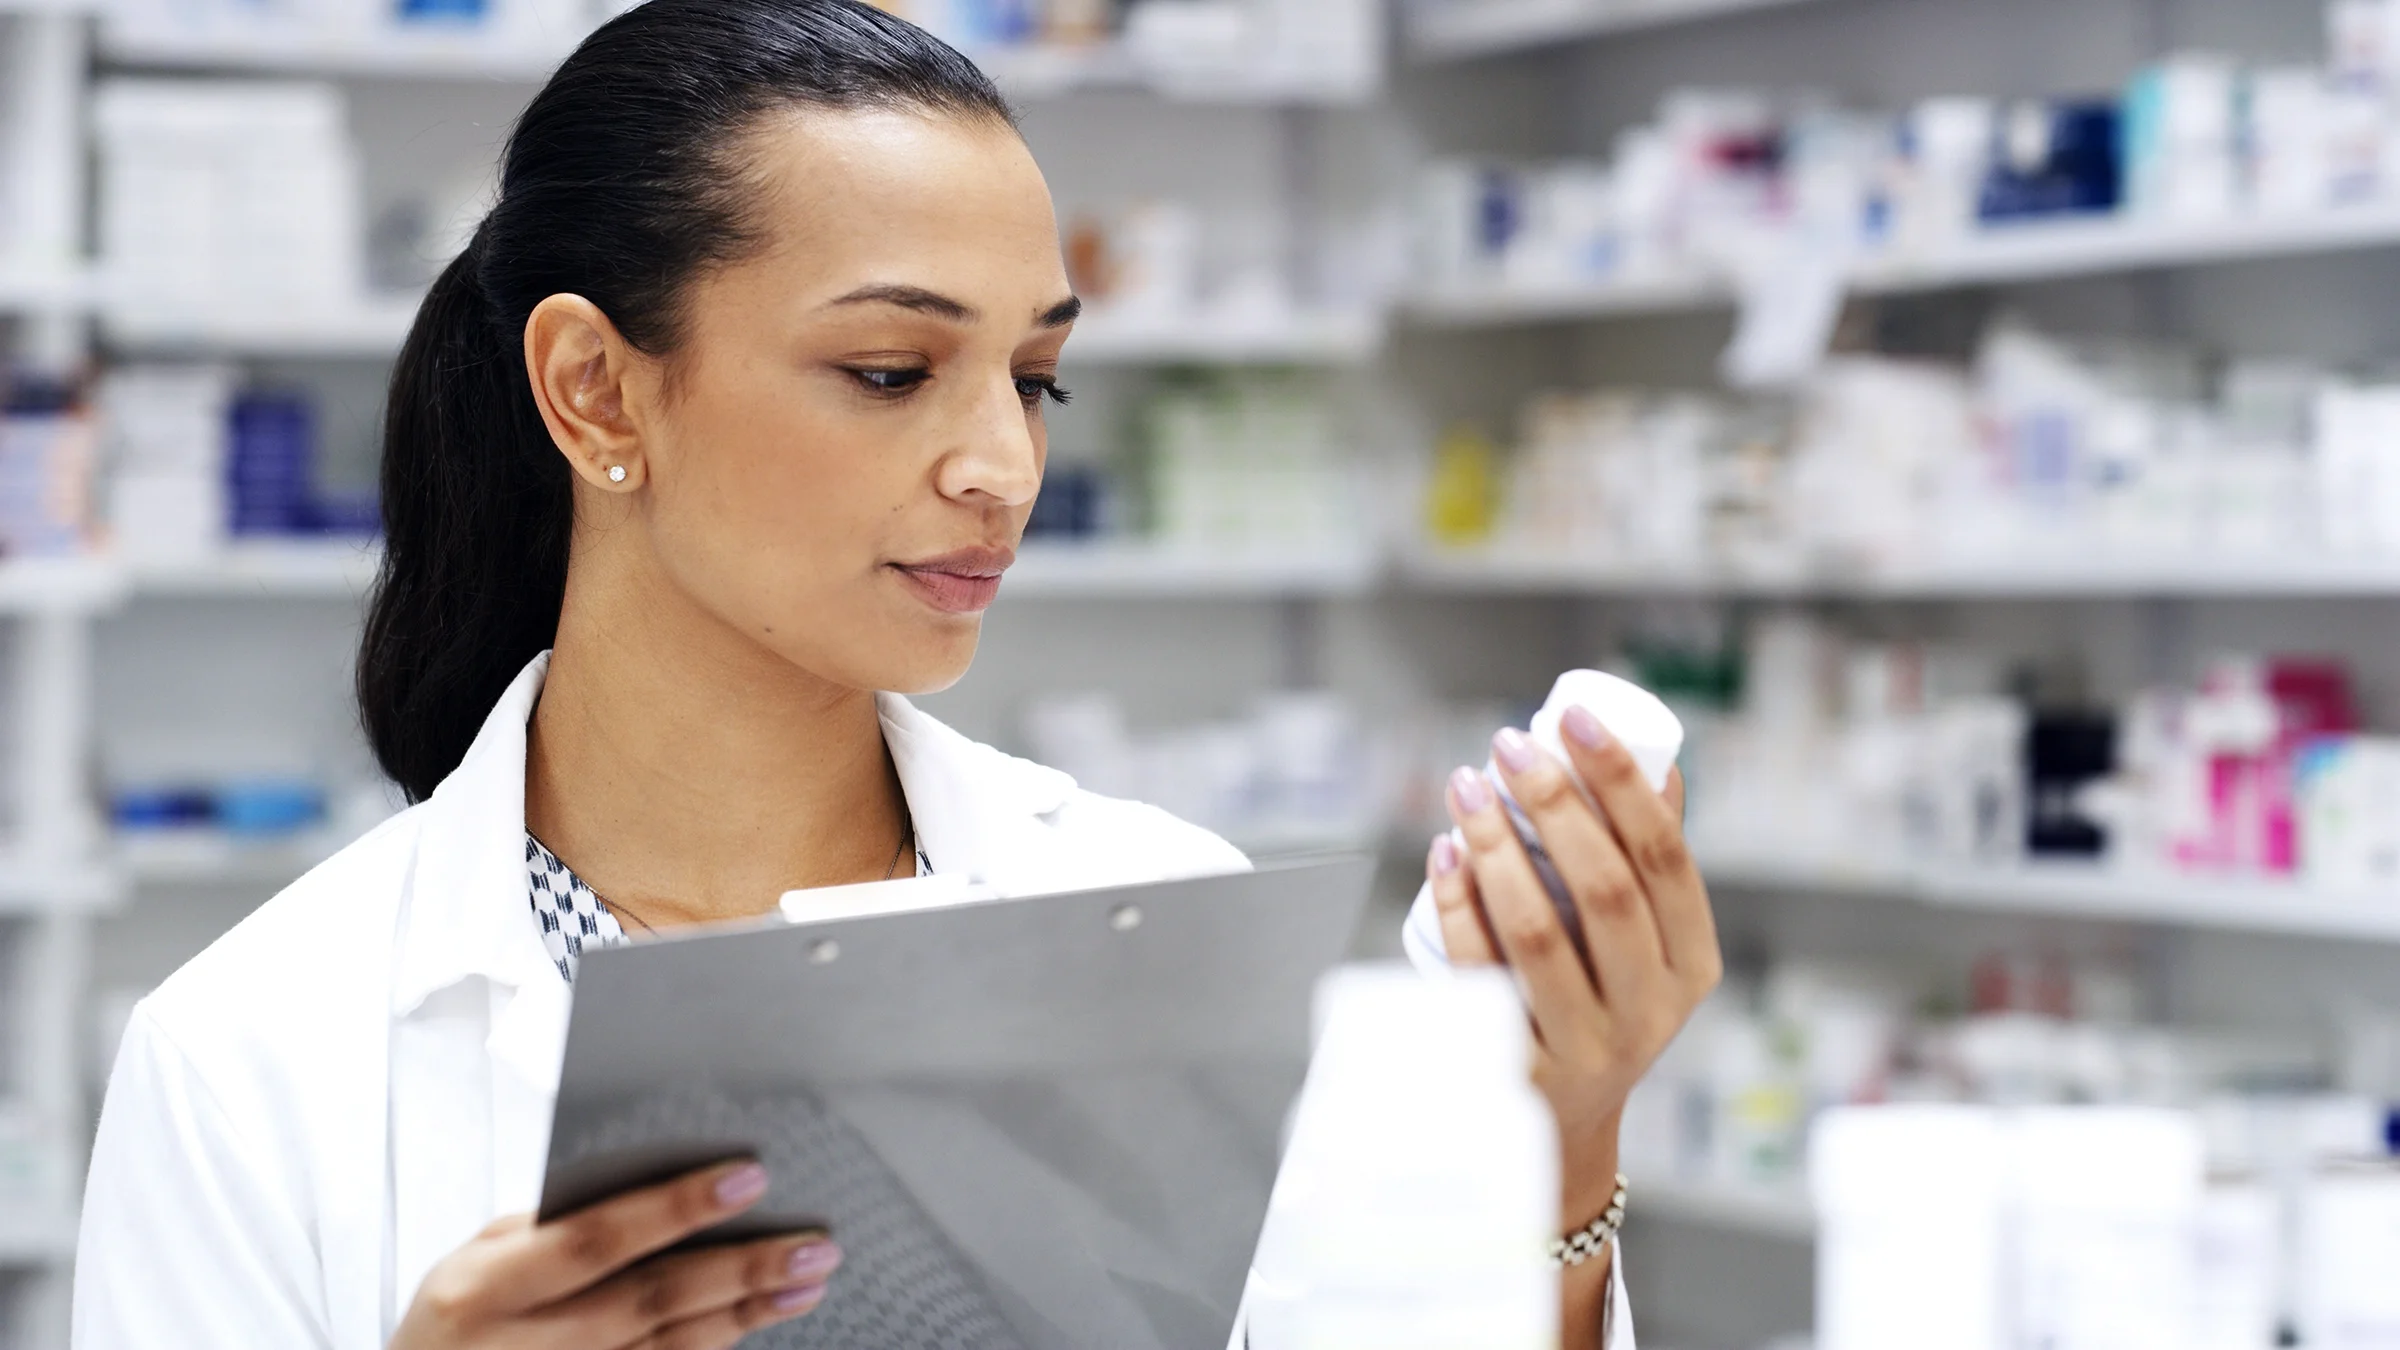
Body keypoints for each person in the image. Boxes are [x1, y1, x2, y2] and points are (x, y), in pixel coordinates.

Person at [72, 2, 1722, 1346]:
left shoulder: (1157, 916)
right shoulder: (257, 1053)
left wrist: (1563, 1139)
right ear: (594, 391)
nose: (1003, 465)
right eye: (888, 369)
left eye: (1035, 377)